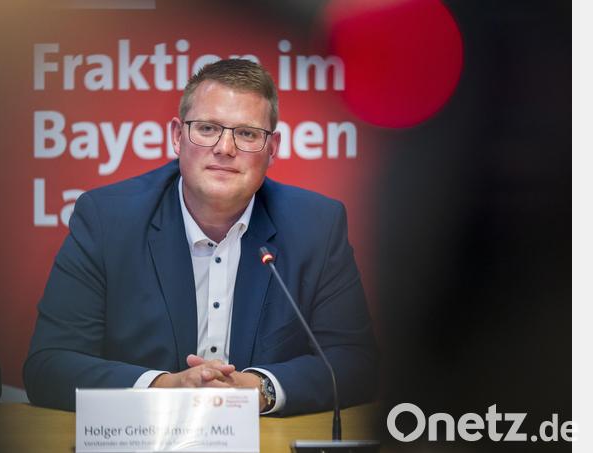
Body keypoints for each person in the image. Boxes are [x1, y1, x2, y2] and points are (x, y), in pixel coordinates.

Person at [24, 59, 377, 416]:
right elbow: (50, 365)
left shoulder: (316, 226)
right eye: (207, 128)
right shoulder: (107, 219)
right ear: (177, 137)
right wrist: (165, 389)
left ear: (272, 148)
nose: (225, 148)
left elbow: (355, 362)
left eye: (247, 134)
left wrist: (260, 388)